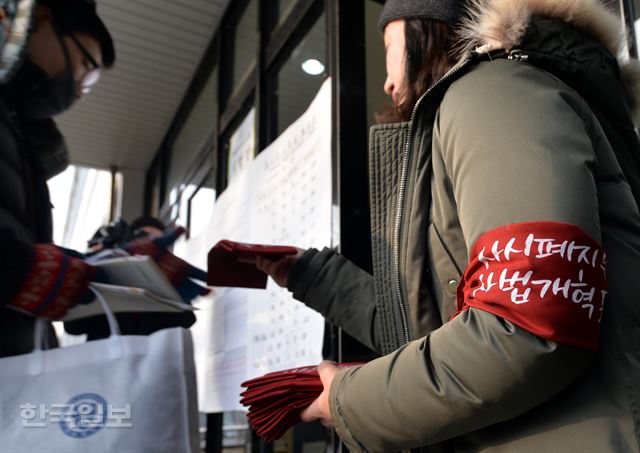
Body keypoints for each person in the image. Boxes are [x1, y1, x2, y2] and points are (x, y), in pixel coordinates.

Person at [256, 0, 640, 451]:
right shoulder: (489, 104)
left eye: (388, 45)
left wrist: (341, 398)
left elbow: (530, 327)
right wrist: (309, 275)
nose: (387, 78)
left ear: (425, 30)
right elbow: (429, 325)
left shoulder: (496, 93)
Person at [0, 0, 115, 357]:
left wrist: (100, 275)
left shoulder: (15, 131)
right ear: (43, 16)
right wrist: (19, 270)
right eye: (86, 68)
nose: (79, 91)